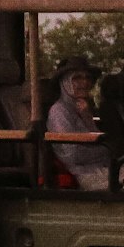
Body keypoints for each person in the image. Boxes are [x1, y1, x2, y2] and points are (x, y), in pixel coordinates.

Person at [45, 56, 112, 190]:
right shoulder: (59, 111)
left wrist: (87, 118)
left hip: (102, 170)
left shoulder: (81, 108)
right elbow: (72, 155)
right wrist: (102, 151)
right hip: (84, 176)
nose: (85, 82)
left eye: (87, 78)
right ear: (64, 82)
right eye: (77, 78)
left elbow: (102, 143)